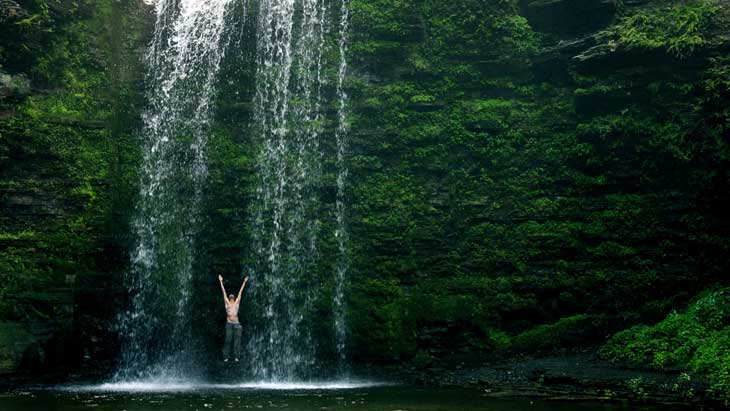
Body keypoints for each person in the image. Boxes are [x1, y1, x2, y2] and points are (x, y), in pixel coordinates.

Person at [218, 274, 249, 362]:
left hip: (236, 323)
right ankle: (226, 357)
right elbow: (223, 292)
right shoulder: (227, 303)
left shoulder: (236, 303)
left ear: (234, 298)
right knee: (228, 340)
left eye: (232, 296)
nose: (231, 297)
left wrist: (244, 282)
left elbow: (240, 292)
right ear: (229, 298)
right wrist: (220, 281)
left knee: (237, 341)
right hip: (229, 323)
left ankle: (236, 356)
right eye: (230, 296)